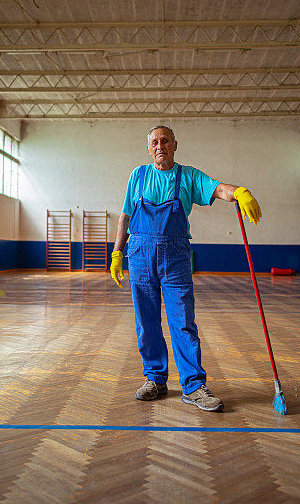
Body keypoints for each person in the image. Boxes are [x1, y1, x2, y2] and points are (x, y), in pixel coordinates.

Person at [110, 125, 261, 412]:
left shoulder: (188, 176)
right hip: (140, 256)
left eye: (165, 141)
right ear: (148, 147)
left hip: (175, 258)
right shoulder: (138, 176)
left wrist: (240, 192)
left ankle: (193, 386)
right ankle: (155, 379)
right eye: (154, 141)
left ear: (175, 145)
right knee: (147, 322)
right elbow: (126, 215)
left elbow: (217, 188)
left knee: (182, 321)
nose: (160, 145)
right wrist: (117, 252)